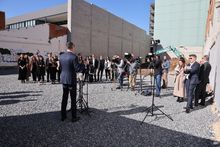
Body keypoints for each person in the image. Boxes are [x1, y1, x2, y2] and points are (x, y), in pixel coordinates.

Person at [59, 42, 80, 122]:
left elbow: (61, 68)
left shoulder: (61, 56)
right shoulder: (74, 57)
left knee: (64, 98)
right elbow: (77, 69)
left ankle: (63, 116)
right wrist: (83, 65)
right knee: (73, 99)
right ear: (72, 47)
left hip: (64, 79)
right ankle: (74, 117)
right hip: (71, 80)